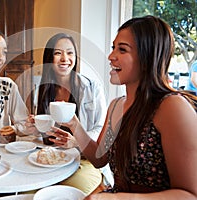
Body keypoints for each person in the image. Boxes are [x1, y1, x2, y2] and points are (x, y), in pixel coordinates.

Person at [49, 16, 197, 199]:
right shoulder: (116, 105)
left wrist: (118, 198)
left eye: (122, 50)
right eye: (113, 48)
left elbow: (190, 194)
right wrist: (74, 124)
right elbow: (99, 158)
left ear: (147, 57)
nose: (111, 56)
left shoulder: (172, 107)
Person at [28, 33, 112, 194]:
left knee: (63, 193)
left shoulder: (91, 87)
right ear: (49, 58)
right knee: (30, 191)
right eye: (58, 53)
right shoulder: (44, 89)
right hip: (55, 157)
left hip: (86, 161)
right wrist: (37, 127)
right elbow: (47, 133)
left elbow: (100, 129)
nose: (65, 58)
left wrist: (76, 142)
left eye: (70, 52)